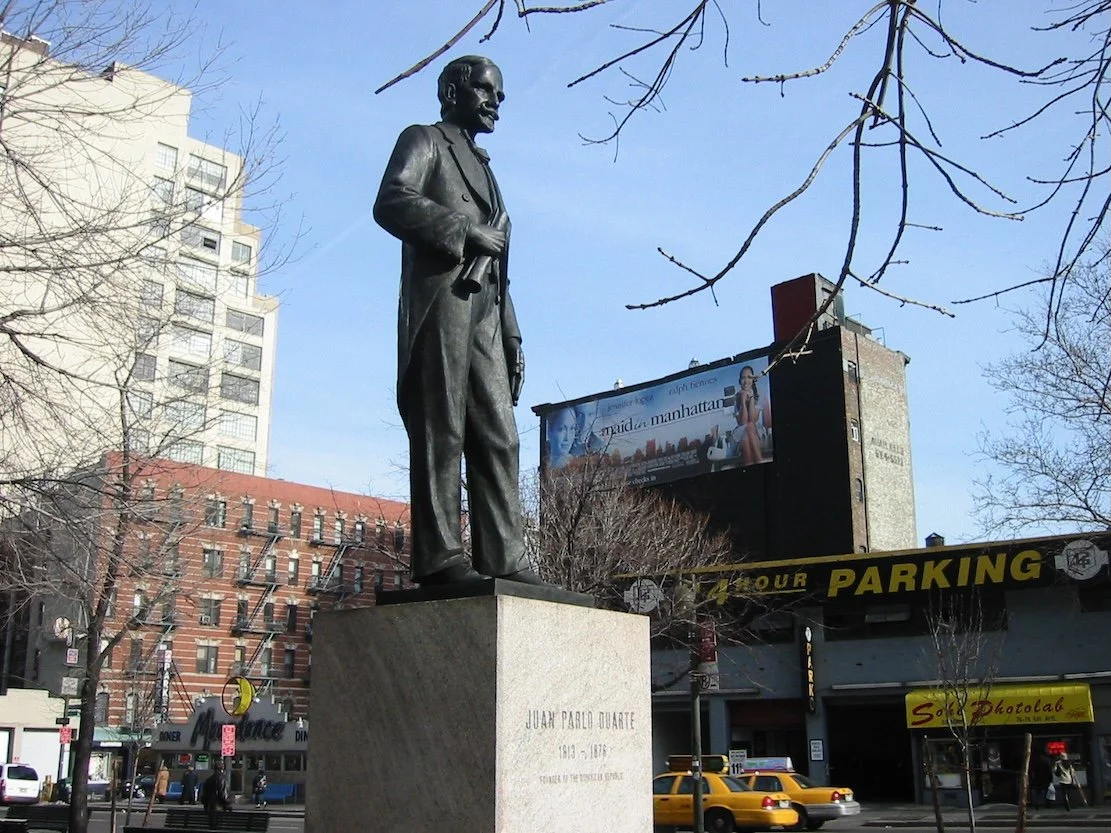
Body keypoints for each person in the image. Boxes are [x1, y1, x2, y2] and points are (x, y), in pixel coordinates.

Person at [374, 55, 543, 587]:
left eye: (499, 95)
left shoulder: (487, 169)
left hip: (486, 314)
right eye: (486, 91)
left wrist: (512, 334)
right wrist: (465, 232)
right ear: (452, 91)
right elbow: (391, 201)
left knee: (500, 434)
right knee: (441, 427)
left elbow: (499, 268)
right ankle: (442, 557)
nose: (494, 102)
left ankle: (505, 558)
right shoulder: (424, 139)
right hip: (443, 303)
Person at [732, 365, 763, 465]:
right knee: (747, 429)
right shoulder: (736, 398)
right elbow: (743, 422)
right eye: (743, 378)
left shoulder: (758, 395)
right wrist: (742, 401)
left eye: (749, 377)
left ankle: (756, 462)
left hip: (755, 429)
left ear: (753, 380)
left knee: (750, 428)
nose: (746, 381)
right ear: (739, 380)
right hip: (741, 429)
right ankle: (759, 461)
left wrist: (752, 398)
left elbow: (753, 419)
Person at [201, 761, 232, 825]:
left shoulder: (208, 779)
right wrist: (228, 804)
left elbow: (204, 794)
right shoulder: (222, 779)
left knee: (212, 825)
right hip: (219, 807)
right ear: (222, 769)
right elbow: (223, 794)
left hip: (210, 806)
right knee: (218, 825)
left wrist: (206, 805)